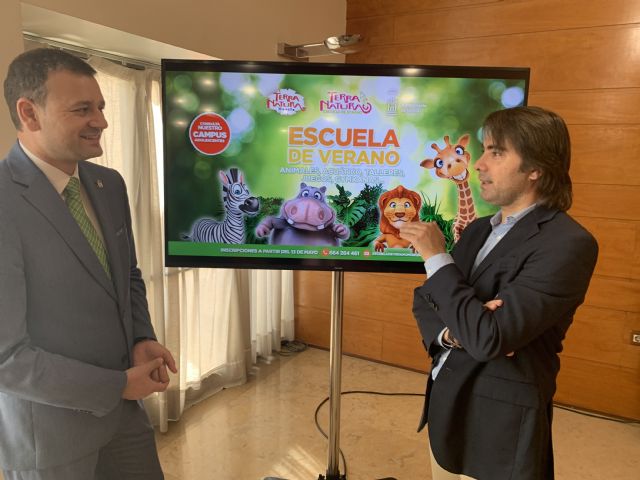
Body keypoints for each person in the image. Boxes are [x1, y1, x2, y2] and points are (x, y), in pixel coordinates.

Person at [0, 48, 177, 480]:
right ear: (29, 113)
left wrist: (141, 336)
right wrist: (118, 386)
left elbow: (127, 276)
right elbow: (7, 359)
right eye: (83, 109)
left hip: (126, 422)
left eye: (100, 106)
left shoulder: (108, 184)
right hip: (51, 440)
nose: (101, 121)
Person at [398, 106, 598, 480]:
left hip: (497, 427)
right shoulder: (477, 229)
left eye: (497, 152)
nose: (478, 164)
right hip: (445, 407)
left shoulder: (568, 244)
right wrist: (453, 333)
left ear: (536, 168)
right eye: (484, 150)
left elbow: (488, 338)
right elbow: (426, 299)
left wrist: (437, 257)